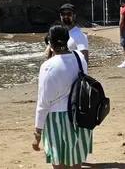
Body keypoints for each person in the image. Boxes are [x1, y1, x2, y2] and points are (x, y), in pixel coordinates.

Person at [33, 25, 92, 168]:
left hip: (56, 119)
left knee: (59, 162)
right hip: (78, 115)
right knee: (76, 161)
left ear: (50, 42)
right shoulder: (79, 58)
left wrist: (38, 131)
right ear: (67, 40)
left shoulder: (48, 67)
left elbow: (44, 102)